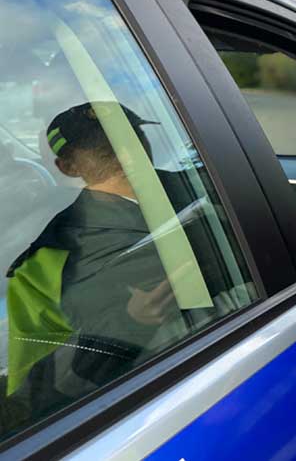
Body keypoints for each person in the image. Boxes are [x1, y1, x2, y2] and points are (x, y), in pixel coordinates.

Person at [6, 102, 178, 413]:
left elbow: (31, 394)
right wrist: (129, 325)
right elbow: (38, 395)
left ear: (64, 167)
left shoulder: (39, 268)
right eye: (104, 147)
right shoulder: (207, 191)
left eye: (129, 136)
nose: (126, 151)